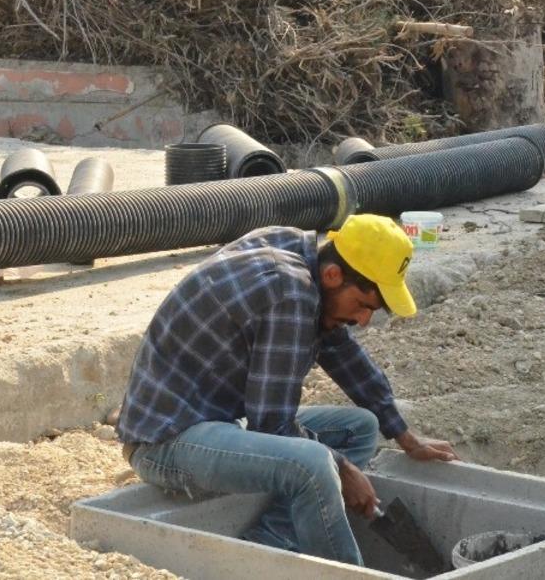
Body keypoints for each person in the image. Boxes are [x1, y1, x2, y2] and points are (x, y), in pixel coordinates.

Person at [116, 214, 459, 567]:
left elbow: (344, 354)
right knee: (314, 464)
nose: (363, 320)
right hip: (166, 442)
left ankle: (269, 544)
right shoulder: (289, 293)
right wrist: (342, 468)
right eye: (362, 305)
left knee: (361, 428)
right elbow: (272, 424)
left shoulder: (298, 253)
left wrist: (404, 436)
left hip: (213, 422)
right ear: (333, 275)